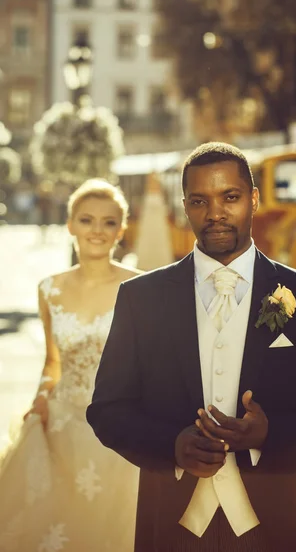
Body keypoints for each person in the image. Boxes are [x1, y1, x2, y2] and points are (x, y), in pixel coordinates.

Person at [87, 143, 296, 552]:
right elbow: (107, 410)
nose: (214, 213)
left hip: (279, 524)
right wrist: (170, 446)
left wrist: (270, 435)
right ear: (185, 206)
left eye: (230, 197)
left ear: (253, 198)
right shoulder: (141, 297)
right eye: (199, 201)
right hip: (172, 523)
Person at [0, 179, 140, 551]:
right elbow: (53, 361)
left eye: (109, 222)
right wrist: (40, 400)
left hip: (118, 431)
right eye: (87, 220)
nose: (97, 230)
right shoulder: (49, 288)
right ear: (70, 224)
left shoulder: (141, 288)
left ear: (121, 230)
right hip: (62, 427)